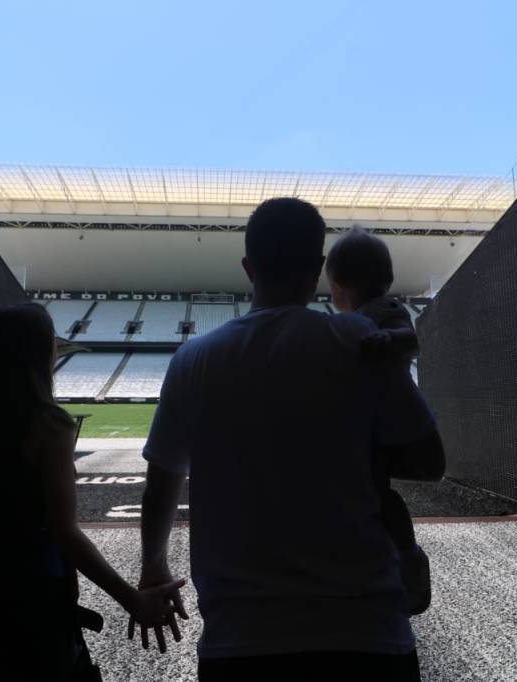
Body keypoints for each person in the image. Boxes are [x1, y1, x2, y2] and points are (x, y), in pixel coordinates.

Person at [132, 198, 445, 680]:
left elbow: (161, 486)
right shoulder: (358, 340)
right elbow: (429, 460)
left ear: (248, 268)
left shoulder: (192, 360)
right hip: (366, 632)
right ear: (318, 268)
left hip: (240, 640)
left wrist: (153, 568)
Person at [0, 303, 185, 680]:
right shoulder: (49, 424)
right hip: (32, 603)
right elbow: (64, 533)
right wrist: (131, 599)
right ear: (43, 351)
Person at [325, 225, 431, 616]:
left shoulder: (385, 310)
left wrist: (387, 342)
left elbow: (410, 338)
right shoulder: (361, 318)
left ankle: (407, 557)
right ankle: (397, 555)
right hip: (386, 426)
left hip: (401, 428)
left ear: (335, 285)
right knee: (373, 491)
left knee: (376, 492)